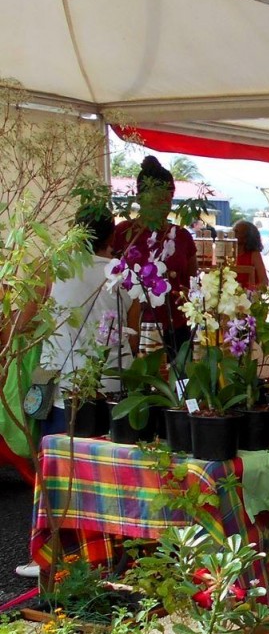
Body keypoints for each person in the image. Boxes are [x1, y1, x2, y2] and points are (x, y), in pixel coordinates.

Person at [15, 205, 142, 579]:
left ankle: (51, 557)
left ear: (75, 231)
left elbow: (21, 323)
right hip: (114, 387)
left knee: (59, 475)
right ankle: (109, 555)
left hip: (66, 388)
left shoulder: (53, 268)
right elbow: (133, 336)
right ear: (110, 237)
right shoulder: (122, 273)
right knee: (108, 477)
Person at [110, 156, 197, 361]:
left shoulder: (182, 236)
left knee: (181, 378)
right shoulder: (123, 233)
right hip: (134, 328)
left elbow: (192, 281)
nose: (163, 205)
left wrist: (188, 294)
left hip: (176, 327)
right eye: (157, 199)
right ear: (140, 198)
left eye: (168, 198)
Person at [231, 220, 269, 291]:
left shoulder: (254, 255)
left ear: (246, 238)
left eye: (236, 232)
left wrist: (250, 292)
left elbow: (264, 281)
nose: (231, 233)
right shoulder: (228, 254)